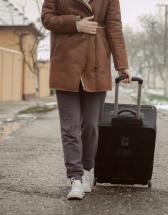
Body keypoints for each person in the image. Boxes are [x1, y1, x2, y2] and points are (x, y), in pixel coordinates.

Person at [41, 0, 132, 200]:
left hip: (96, 64)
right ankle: (75, 177)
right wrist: (75, 23)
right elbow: (46, 19)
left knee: (91, 125)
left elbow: (114, 27)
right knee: (70, 127)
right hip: (65, 64)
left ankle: (86, 168)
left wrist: (122, 64)